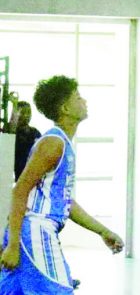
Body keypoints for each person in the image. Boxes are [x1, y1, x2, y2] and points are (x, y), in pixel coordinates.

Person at [0, 75, 124, 294]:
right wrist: (12, 245)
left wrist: (102, 231)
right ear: (66, 108)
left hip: (35, 232)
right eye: (78, 97)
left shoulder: (61, 143)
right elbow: (20, 190)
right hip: (36, 232)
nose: (84, 101)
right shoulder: (53, 144)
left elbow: (65, 202)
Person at [10, 97, 42, 181]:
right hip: (20, 176)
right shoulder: (12, 132)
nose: (26, 116)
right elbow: (12, 127)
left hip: (35, 175)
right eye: (23, 113)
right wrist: (14, 105)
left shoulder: (35, 132)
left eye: (29, 113)